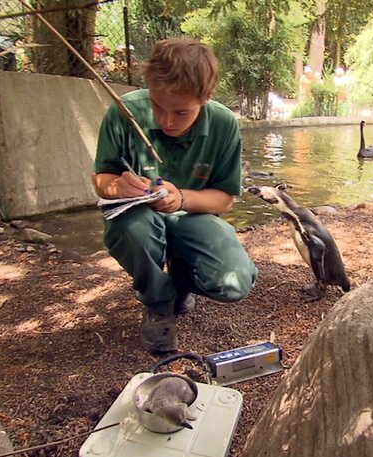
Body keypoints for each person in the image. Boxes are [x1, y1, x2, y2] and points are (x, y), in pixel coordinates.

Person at [92, 37, 258, 354]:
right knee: (135, 229)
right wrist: (118, 186)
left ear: (205, 97)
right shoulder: (123, 114)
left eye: (181, 112)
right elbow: (101, 179)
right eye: (158, 107)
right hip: (138, 217)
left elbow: (223, 199)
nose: (167, 121)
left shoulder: (223, 124)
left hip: (193, 216)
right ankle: (158, 302)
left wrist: (180, 199)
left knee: (235, 281)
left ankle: (181, 279)